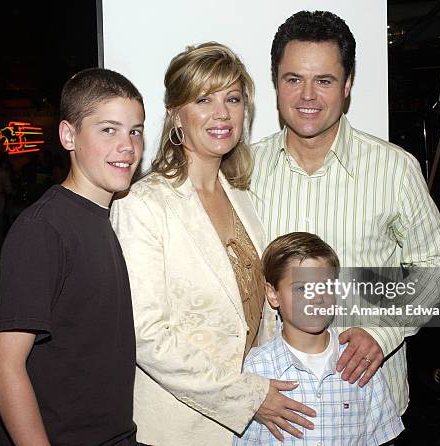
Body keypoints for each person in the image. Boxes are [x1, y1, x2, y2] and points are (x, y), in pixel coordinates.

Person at [250, 10, 440, 421]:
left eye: (323, 80)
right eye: (294, 80)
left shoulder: (394, 169)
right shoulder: (242, 172)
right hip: (271, 411)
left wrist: (384, 331)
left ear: (346, 86)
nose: (307, 95)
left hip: (367, 406)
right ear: (276, 85)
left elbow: (436, 268)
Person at [110, 42, 315, 446]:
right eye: (204, 99)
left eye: (233, 99)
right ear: (176, 116)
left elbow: (257, 314)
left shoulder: (243, 198)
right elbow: (147, 335)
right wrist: (248, 397)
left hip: (256, 424)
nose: (222, 113)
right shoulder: (143, 204)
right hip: (180, 428)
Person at [0, 68, 144, 446]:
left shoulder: (112, 217)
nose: (128, 146)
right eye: (109, 130)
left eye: (135, 130)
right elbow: (2, 368)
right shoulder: (43, 229)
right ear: (68, 135)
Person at [234, 232, 404, 445]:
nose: (317, 298)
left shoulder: (359, 361)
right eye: (302, 288)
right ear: (273, 294)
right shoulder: (257, 368)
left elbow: (382, 438)